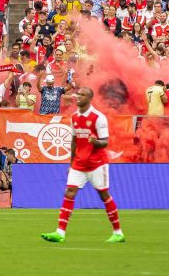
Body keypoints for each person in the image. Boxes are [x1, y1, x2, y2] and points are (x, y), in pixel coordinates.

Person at [41, 87, 124, 243]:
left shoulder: (98, 117)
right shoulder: (74, 117)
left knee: (104, 195)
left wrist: (96, 142)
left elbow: (105, 142)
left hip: (97, 163)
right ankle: (60, 233)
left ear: (89, 99)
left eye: (82, 95)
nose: (78, 97)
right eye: (78, 94)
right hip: (79, 163)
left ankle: (118, 232)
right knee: (69, 192)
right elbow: (73, 141)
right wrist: (71, 163)